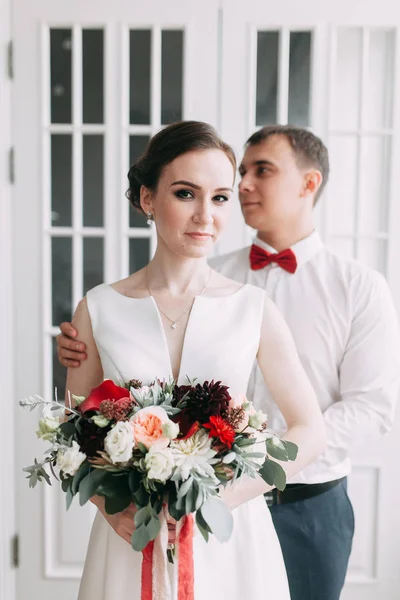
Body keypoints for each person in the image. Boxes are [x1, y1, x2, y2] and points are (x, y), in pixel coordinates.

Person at [59, 124, 400, 600]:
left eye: (220, 198)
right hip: (130, 536)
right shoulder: (98, 308)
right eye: (185, 193)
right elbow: (71, 436)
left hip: (232, 534)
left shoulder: (252, 305)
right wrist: (108, 507)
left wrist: (218, 500)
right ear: (147, 199)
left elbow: (310, 430)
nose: (205, 215)